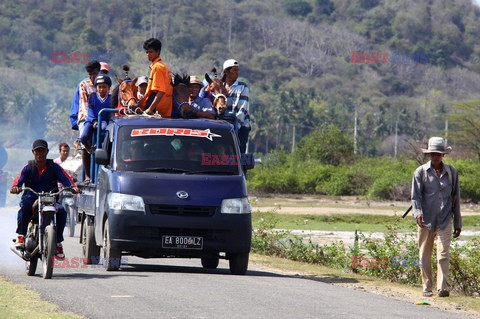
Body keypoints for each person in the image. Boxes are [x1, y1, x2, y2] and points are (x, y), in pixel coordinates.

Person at [10, 139, 80, 258]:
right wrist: (15, 187)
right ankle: (21, 236)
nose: (40, 154)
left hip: (50, 199)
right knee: (25, 207)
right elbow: (18, 181)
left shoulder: (54, 167)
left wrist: (73, 187)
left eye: (42, 151)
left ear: (47, 152)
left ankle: (57, 242)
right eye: (37, 151)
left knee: (62, 211)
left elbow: (66, 179)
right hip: (31, 198)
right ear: (33, 152)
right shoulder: (28, 167)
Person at [411, 137, 461, 298]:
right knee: (424, 255)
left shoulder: (452, 173)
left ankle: (442, 288)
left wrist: (458, 222)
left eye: (438, 154)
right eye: (432, 154)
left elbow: (456, 199)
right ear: (429, 154)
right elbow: (415, 197)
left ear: (443, 155)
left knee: (443, 254)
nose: (435, 157)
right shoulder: (420, 172)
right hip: (425, 220)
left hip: (445, 219)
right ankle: (427, 287)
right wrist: (417, 213)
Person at [70, 60, 101, 184]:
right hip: (86, 117)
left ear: (99, 72)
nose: (92, 77)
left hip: (100, 117)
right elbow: (84, 104)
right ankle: (88, 175)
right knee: (84, 140)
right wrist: (92, 120)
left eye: (94, 74)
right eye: (90, 74)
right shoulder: (84, 84)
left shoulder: (103, 83)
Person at [80, 74, 112, 163]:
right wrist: (94, 120)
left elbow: (110, 113)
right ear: (96, 88)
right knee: (83, 136)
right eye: (100, 87)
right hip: (91, 120)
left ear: (108, 88)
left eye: (104, 87)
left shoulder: (110, 98)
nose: (102, 89)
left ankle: (97, 144)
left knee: (103, 130)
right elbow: (90, 110)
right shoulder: (92, 97)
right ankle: (88, 147)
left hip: (103, 120)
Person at [137, 38, 173, 117]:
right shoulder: (163, 65)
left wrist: (150, 109)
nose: (148, 54)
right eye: (147, 52)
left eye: (151, 52)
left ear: (158, 52)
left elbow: (160, 91)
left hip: (157, 110)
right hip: (163, 108)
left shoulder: (158, 67)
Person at [222, 59, 251, 153]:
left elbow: (242, 109)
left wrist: (235, 127)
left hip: (240, 125)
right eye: (234, 70)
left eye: (237, 70)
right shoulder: (220, 86)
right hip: (224, 124)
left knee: (239, 153)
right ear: (226, 72)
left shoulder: (243, 87)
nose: (237, 72)